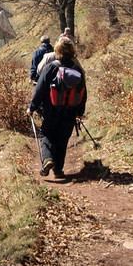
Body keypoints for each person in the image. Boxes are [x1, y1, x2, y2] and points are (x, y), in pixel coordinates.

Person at [27, 37, 85, 179]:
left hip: (51, 109)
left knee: (47, 134)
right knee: (62, 139)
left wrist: (32, 107)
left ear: (57, 51)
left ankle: (47, 159)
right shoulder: (77, 69)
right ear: (72, 52)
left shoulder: (51, 67)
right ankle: (58, 170)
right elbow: (83, 92)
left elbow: (40, 90)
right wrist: (80, 111)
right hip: (70, 110)